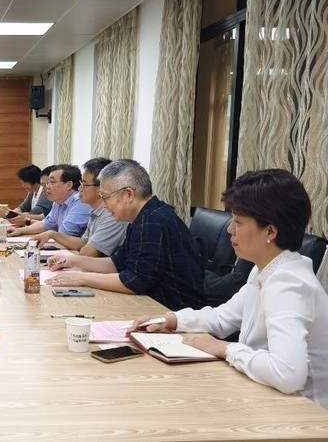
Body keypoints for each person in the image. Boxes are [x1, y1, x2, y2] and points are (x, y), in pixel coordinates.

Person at [130, 169, 328, 409]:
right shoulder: (266, 269)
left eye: (238, 222)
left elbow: (288, 374)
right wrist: (171, 320)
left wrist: (224, 349)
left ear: (270, 231)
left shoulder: (289, 284)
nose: (229, 230)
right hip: (265, 395)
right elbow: (222, 317)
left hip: (304, 412)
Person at [46, 159, 204, 310]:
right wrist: (74, 261)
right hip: (153, 303)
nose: (104, 205)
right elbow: (117, 263)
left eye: (105, 197)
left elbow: (135, 281)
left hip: (172, 309)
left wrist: (83, 278)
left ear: (128, 194)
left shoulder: (151, 221)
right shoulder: (142, 216)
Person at [30, 158, 127, 256]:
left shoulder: (111, 215)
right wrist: (52, 234)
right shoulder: (95, 211)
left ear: (101, 188)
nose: (79, 188)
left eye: (84, 184)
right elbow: (82, 242)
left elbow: (87, 253)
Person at [7, 164, 91, 238]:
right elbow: (45, 225)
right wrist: (20, 231)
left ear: (69, 185)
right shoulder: (58, 202)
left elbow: (65, 233)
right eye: (46, 184)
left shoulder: (80, 202)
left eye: (51, 182)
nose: (46, 187)